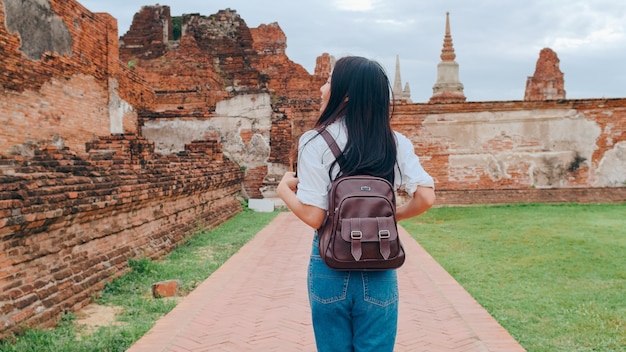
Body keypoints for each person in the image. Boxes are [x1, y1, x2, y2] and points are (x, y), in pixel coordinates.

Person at [276, 56, 436, 352]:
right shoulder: (395, 141)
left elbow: (314, 217)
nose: (323, 88)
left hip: (329, 263)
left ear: (345, 93)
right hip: (380, 260)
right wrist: (391, 218)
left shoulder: (314, 141)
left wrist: (284, 191)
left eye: (328, 81)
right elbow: (426, 196)